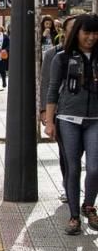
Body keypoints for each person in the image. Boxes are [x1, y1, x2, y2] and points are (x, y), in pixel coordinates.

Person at [44, 13, 98, 235]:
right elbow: (52, 89)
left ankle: (89, 205)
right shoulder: (62, 58)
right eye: (87, 33)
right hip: (67, 119)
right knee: (73, 167)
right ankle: (74, 216)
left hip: (95, 120)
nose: (91, 38)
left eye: (95, 33)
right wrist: (49, 121)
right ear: (77, 34)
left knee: (94, 167)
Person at [40, 15, 75, 204]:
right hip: (62, 112)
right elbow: (46, 84)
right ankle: (69, 187)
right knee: (67, 155)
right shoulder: (53, 54)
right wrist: (44, 112)